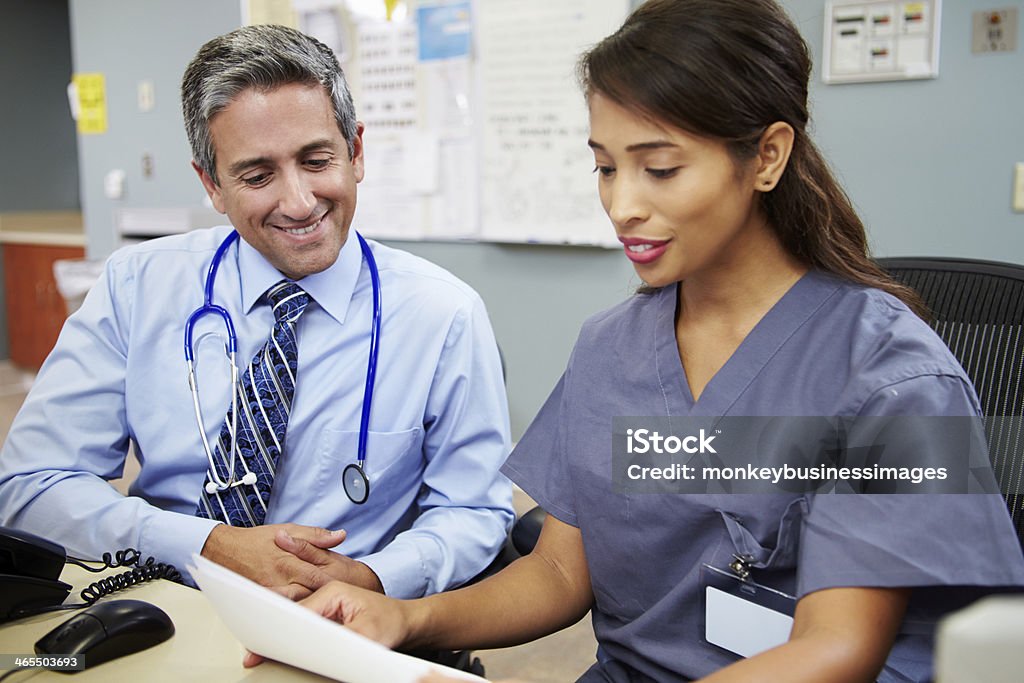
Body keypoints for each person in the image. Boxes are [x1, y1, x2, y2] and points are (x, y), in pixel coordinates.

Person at [257, 1, 1024, 681]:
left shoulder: (891, 375)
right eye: (604, 168)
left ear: (767, 156)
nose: (622, 206)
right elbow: (560, 568)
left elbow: (836, 649)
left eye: (659, 168)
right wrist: (404, 616)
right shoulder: (612, 348)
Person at [0, 24, 513, 600]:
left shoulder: (443, 315)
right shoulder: (137, 287)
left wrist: (370, 577)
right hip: (166, 604)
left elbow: (474, 510)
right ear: (212, 184)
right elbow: (30, 485)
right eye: (257, 175)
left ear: (357, 152)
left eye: (317, 160)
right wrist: (205, 545)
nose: (298, 202)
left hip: (342, 623)